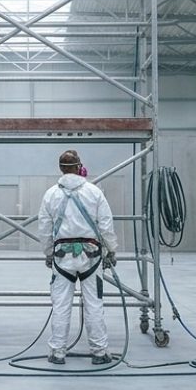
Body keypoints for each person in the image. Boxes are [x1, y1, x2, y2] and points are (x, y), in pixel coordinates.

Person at [38, 149, 117, 366]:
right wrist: (111, 250)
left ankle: (57, 352)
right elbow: (106, 224)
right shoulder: (94, 192)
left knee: (61, 305)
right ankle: (99, 352)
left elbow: (44, 228)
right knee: (94, 304)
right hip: (91, 255)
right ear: (79, 167)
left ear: (60, 168)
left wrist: (48, 253)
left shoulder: (50, 194)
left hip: (62, 257)